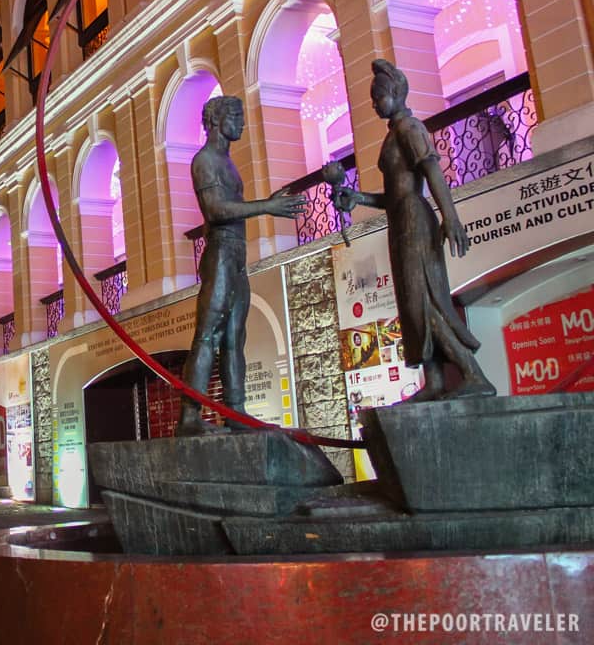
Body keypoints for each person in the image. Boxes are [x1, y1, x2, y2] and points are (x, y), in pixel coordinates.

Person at [331, 59, 496, 401]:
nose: (374, 103)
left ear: (394, 93)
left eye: (378, 96)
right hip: (400, 218)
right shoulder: (393, 134)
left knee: (425, 298)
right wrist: (357, 197)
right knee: (410, 301)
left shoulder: (410, 129)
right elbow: (392, 195)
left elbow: (432, 171)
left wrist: (450, 216)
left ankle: (472, 373)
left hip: (415, 219)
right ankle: (433, 380)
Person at [176, 95, 307, 435]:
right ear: (218, 119)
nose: (242, 122)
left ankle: (235, 411)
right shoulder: (204, 160)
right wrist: (265, 207)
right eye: (235, 115)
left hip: (235, 254)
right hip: (220, 253)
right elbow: (216, 210)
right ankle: (190, 417)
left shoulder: (227, 163)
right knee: (207, 334)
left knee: (235, 336)